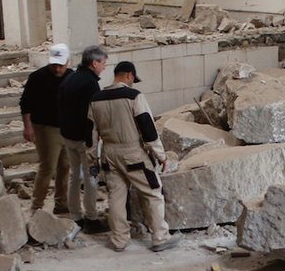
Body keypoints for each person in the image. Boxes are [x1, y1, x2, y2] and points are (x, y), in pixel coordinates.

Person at [86, 61, 181, 253]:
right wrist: (160, 155)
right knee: (153, 192)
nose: (132, 82)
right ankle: (160, 237)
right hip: (133, 153)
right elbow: (147, 128)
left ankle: (119, 239)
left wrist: (92, 158)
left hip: (108, 154)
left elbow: (90, 133)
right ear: (129, 75)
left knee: (116, 196)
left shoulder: (95, 99)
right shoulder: (134, 96)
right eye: (132, 79)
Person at [58, 45, 110, 233]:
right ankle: (91, 218)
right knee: (90, 178)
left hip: (68, 135)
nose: (104, 66)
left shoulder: (70, 78)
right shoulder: (90, 84)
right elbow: (90, 114)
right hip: (84, 139)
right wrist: (93, 140)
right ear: (94, 63)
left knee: (74, 175)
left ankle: (75, 215)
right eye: (103, 63)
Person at [19, 43, 72, 214]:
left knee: (65, 166)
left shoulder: (72, 77)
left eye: (60, 65)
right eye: (54, 65)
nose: (57, 69)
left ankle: (61, 203)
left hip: (67, 127)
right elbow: (25, 104)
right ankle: (37, 206)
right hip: (46, 127)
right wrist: (27, 127)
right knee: (48, 167)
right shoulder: (37, 77)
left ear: (67, 62)